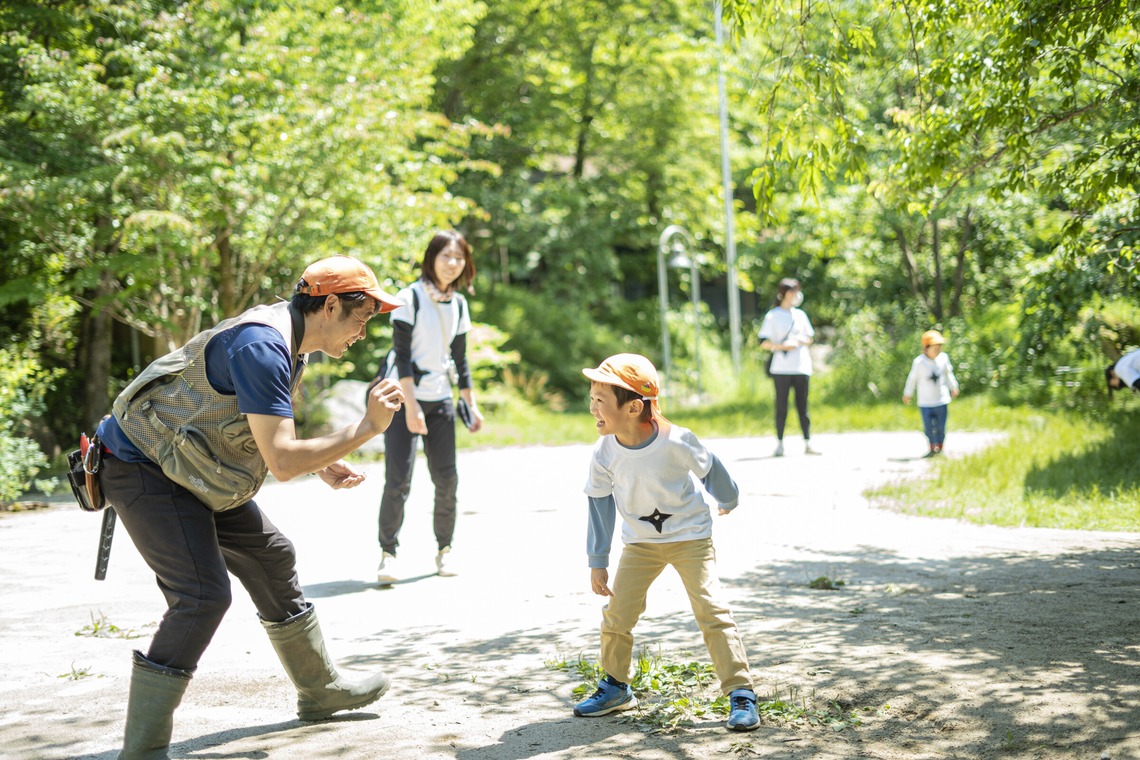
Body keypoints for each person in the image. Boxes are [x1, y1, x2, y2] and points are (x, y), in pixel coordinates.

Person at [94, 255, 407, 760]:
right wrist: (365, 429)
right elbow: (281, 461)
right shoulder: (263, 345)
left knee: (271, 556)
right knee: (201, 596)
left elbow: (266, 433)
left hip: (193, 465)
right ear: (329, 306)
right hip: (142, 464)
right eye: (362, 316)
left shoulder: (290, 338)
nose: (364, 332)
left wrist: (321, 460)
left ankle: (320, 689)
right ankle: (143, 751)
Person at [575, 353, 761, 732]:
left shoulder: (676, 440)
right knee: (618, 615)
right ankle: (615, 686)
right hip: (640, 545)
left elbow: (712, 469)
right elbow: (599, 504)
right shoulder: (605, 451)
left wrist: (728, 500)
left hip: (691, 538)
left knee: (711, 610)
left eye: (601, 400)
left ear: (633, 407)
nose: (593, 407)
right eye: (591, 398)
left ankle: (741, 692)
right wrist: (598, 559)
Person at [375, 230, 483, 584]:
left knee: (447, 479)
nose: (452, 264)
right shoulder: (409, 298)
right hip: (403, 400)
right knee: (398, 480)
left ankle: (444, 549)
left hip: (440, 400)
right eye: (445, 256)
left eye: (459, 257)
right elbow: (402, 357)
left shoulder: (460, 304)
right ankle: (387, 553)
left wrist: (470, 402)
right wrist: (410, 407)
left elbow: (460, 358)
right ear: (430, 258)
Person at [758, 277, 819, 456]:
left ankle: (808, 442)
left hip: (801, 367)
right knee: (781, 406)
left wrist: (799, 341)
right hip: (781, 369)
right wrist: (783, 346)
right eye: (791, 291)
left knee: (803, 406)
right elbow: (763, 342)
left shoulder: (800, 315)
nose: (795, 295)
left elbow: (810, 337)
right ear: (783, 293)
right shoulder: (773, 315)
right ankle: (779, 443)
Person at [902, 329, 961, 457]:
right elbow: (912, 379)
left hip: (941, 400)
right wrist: (908, 393)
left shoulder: (944, 359)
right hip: (925, 402)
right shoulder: (919, 363)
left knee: (941, 427)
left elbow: (948, 374)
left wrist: (954, 387)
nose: (937, 350)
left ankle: (940, 447)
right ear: (925, 348)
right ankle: (931, 447)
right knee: (928, 428)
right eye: (934, 348)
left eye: (939, 347)